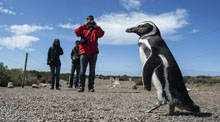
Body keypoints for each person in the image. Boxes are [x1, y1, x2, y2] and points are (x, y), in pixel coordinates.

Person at [75, 15, 104, 92]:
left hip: (93, 52)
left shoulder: (95, 30)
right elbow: (77, 32)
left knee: (92, 71)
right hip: (84, 52)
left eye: (91, 21)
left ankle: (91, 87)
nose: (90, 22)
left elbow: (101, 34)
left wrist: (96, 26)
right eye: (89, 20)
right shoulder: (83, 29)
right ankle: (81, 86)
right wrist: (85, 25)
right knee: (82, 71)